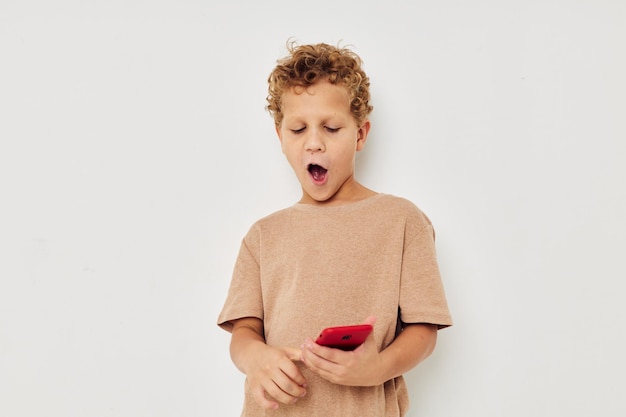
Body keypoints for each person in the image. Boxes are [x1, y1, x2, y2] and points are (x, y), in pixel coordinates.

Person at [217, 41, 452, 417]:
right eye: (297, 129)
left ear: (360, 135)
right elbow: (243, 333)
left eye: (331, 127)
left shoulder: (403, 221)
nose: (314, 143)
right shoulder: (263, 235)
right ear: (280, 137)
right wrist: (255, 359)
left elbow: (425, 332)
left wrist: (378, 368)